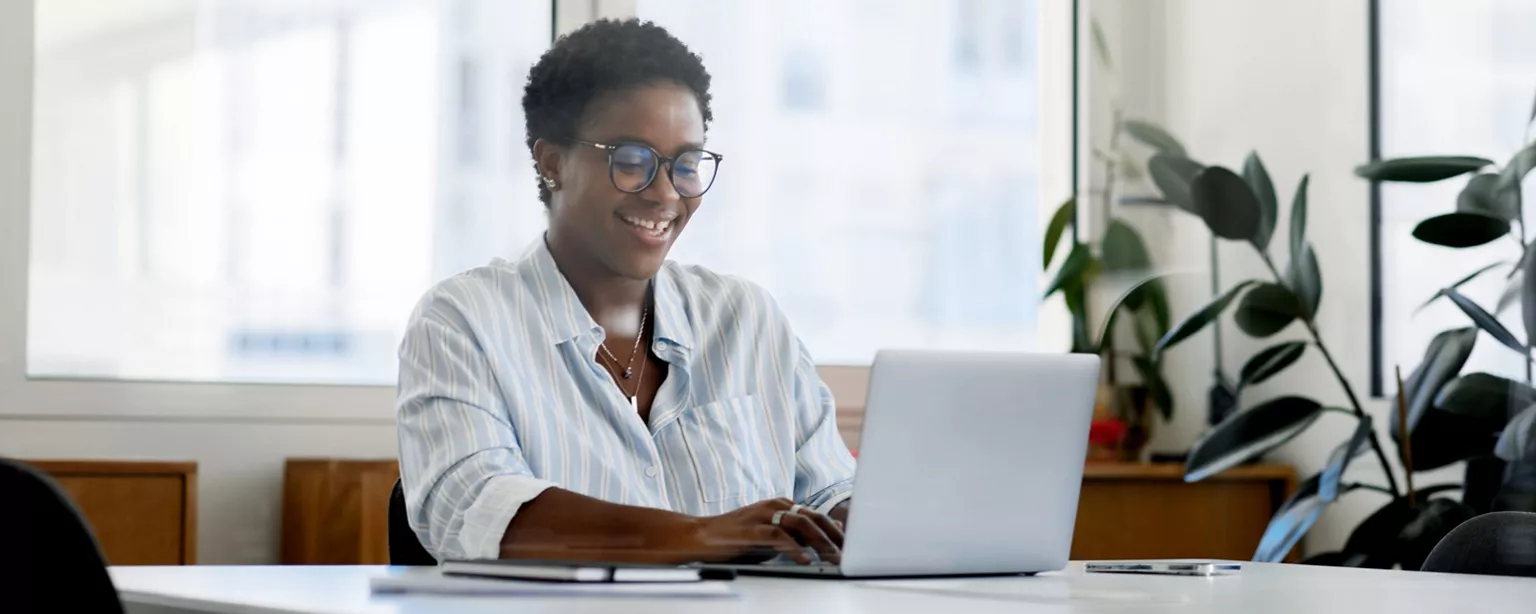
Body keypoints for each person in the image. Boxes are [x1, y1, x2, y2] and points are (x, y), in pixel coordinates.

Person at [396, 19, 856, 565]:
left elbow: (830, 494)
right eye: (631, 161)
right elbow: (475, 509)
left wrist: (876, 522)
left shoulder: (748, 320)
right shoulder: (463, 322)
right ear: (552, 163)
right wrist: (703, 535)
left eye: (685, 165)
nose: (665, 194)